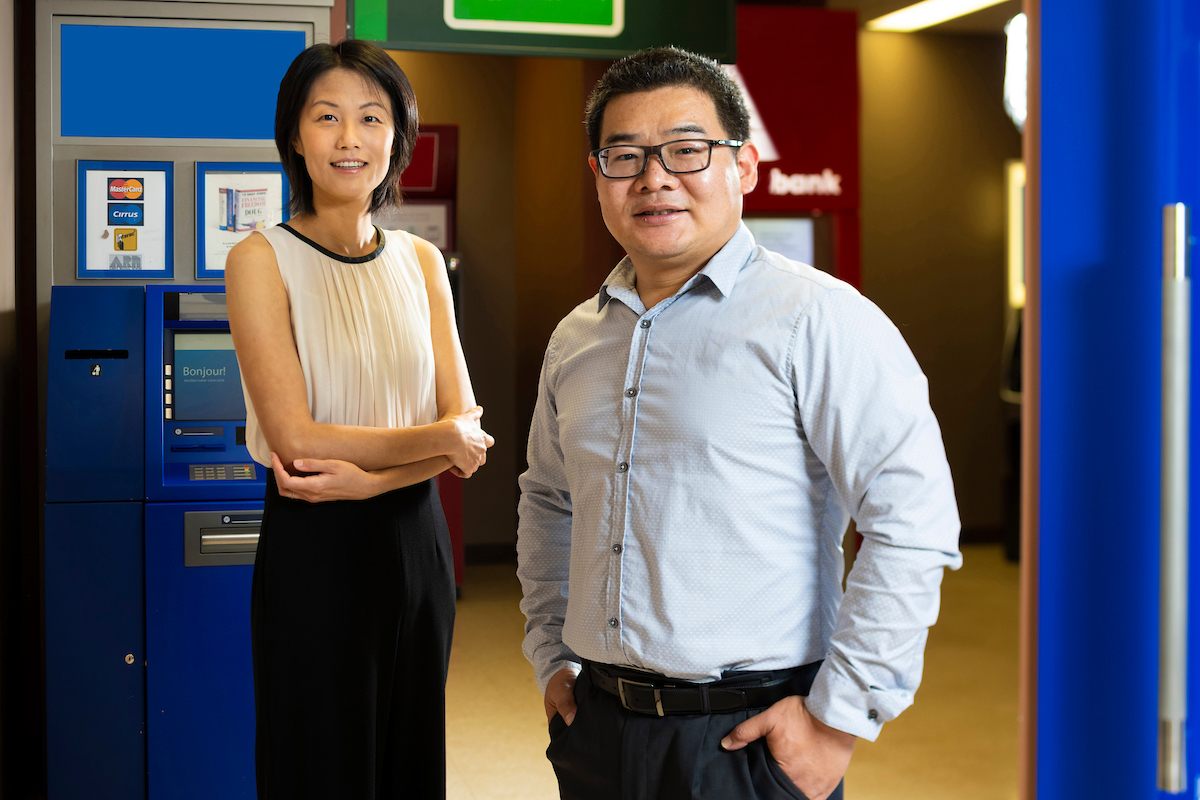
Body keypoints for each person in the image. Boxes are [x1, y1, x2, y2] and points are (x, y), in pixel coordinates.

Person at [517, 46, 961, 800]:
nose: (654, 178)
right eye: (624, 156)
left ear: (744, 166)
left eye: (686, 151)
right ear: (598, 177)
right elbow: (550, 500)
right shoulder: (576, 340)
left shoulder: (820, 320)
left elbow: (911, 522)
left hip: (746, 742)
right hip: (598, 732)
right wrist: (550, 653)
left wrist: (838, 720)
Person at [227, 40, 493, 800]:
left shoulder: (420, 260)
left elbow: (465, 431)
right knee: (319, 760)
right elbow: (298, 439)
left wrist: (379, 479)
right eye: (328, 118)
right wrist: (439, 443)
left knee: (410, 757)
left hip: (416, 544)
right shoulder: (259, 258)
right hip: (314, 547)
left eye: (371, 118)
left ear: (396, 138)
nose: (350, 139)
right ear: (295, 136)